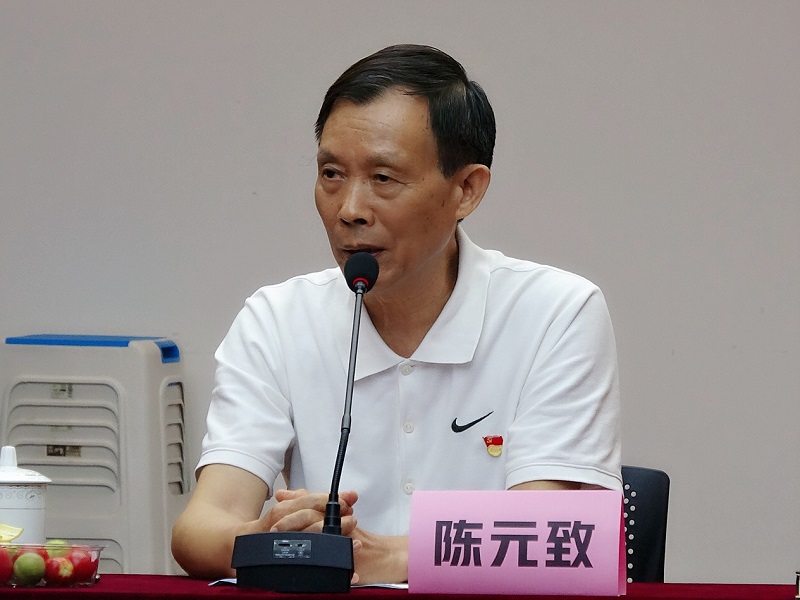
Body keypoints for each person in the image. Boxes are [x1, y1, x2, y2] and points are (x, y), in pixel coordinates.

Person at [171, 44, 621, 585]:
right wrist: (267, 538)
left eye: (384, 178)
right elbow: (200, 527)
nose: (349, 209)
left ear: (466, 190)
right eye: (331, 173)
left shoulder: (555, 313)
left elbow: (557, 536)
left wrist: (384, 556)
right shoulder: (278, 319)